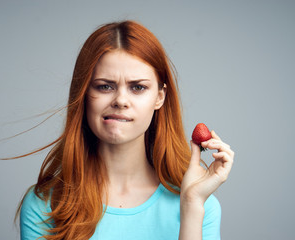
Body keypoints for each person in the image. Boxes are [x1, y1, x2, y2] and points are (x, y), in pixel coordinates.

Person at [18, 20, 234, 240]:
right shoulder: (44, 206)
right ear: (82, 94)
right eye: (105, 86)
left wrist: (191, 206)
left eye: (138, 87)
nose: (121, 100)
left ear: (160, 97)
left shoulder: (201, 206)